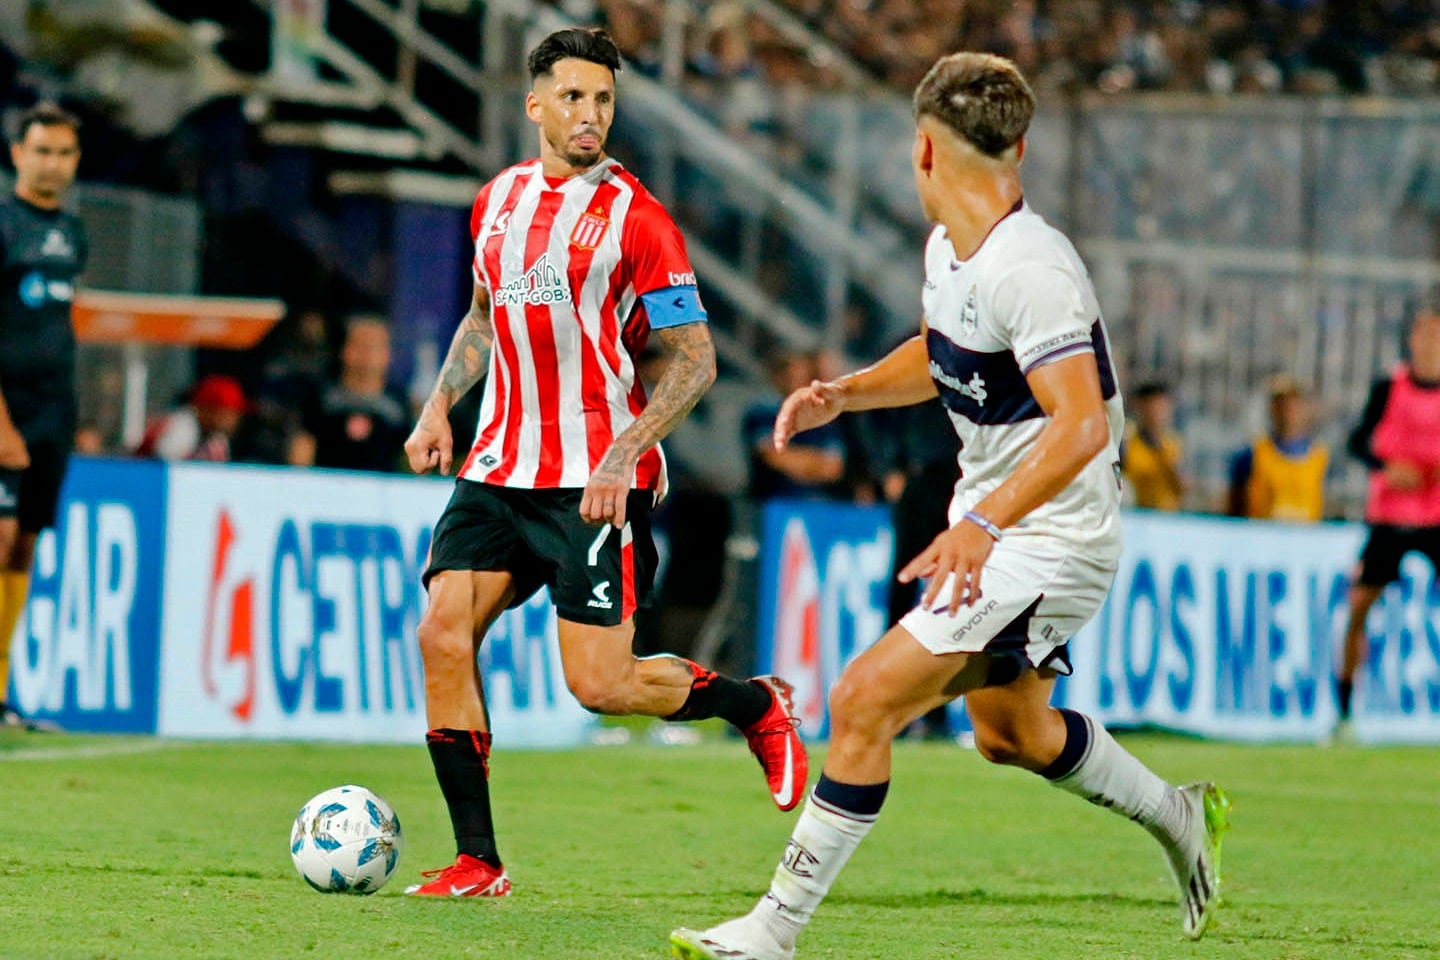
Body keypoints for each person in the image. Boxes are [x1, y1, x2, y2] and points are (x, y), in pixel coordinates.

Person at [670, 52, 1228, 960]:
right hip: (1008, 521)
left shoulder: (1032, 268)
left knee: (861, 701)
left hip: (1049, 537)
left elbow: (1081, 424)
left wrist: (982, 521)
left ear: (925, 151)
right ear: (1020, 145)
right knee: (1010, 733)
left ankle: (772, 932)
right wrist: (846, 393)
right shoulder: (954, 252)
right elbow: (944, 348)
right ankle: (1176, 813)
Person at [401, 27, 807, 899]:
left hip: (592, 478)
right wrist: (440, 405)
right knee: (442, 635)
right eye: (575, 97)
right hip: (497, 466)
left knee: (601, 685)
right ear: (535, 104)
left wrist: (628, 450)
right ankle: (479, 859)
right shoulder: (496, 202)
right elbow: (482, 314)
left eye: (605, 100)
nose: (591, 116)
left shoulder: (638, 218)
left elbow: (694, 355)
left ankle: (754, 705)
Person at [0, 103, 86, 728]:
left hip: (53, 411)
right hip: (7, 409)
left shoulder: (73, 233)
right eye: (40, 151)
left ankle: (2, 694)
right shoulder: (3, 224)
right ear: (16, 155)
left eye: (62, 153)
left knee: (25, 545)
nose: (51, 163)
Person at [1333, 308, 1440, 739]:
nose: (1429, 342)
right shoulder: (1389, 387)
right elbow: (1357, 441)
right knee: (1359, 608)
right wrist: (1385, 466)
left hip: (1435, 517)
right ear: (1411, 339)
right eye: (1423, 333)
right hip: (1390, 516)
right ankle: (1343, 712)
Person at [294, 315, 411, 472]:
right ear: (344, 350)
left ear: (388, 355)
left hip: (382, 490)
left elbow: (410, 459)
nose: (366, 354)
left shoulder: (398, 404)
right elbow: (303, 447)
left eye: (374, 347)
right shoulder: (322, 397)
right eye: (360, 345)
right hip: (327, 487)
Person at [742, 350, 847, 502]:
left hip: (818, 502)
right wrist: (815, 464)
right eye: (793, 377)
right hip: (770, 501)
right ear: (778, 378)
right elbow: (773, 456)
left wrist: (797, 461)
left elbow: (834, 468)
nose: (798, 384)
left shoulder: (821, 416)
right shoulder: (763, 412)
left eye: (803, 378)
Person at [1226, 377, 1327, 521]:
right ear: (1273, 408)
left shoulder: (1320, 457)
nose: (1290, 413)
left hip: (1304, 540)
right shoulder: (1252, 455)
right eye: (1283, 405)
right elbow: (1234, 506)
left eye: (1295, 405)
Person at [134, 373, 248, 462]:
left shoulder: (211, 436)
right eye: (228, 413)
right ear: (205, 409)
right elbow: (163, 464)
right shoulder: (184, 425)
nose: (234, 420)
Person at [1121, 381, 1186, 510]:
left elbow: (1181, 487)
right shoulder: (1126, 439)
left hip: (1164, 518)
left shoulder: (1173, 444)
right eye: (1150, 407)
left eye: (1160, 407)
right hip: (1134, 514)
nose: (1155, 413)